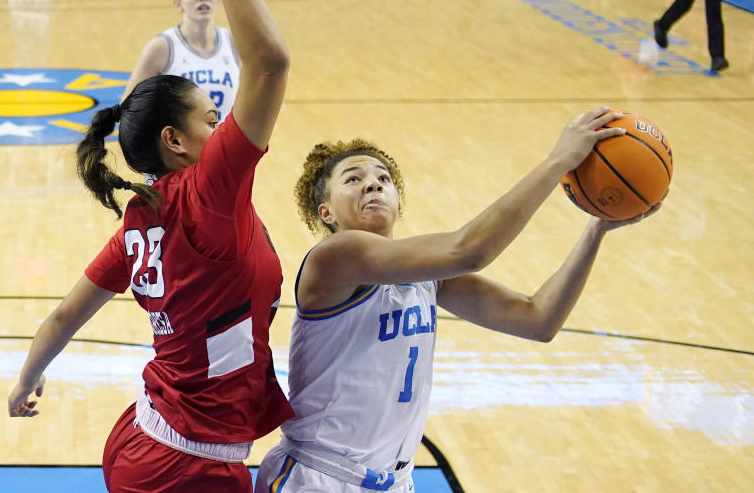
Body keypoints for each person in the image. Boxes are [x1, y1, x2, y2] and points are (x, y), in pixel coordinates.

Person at [8, 0, 293, 493]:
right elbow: (271, 62)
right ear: (175, 141)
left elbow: (62, 318)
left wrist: (26, 382)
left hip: (146, 435)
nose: (222, 122)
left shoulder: (141, 216)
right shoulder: (209, 193)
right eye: (208, 117)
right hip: (188, 467)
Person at [256, 108, 662, 492]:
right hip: (318, 477)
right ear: (325, 213)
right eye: (352, 178)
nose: (373, 183)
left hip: (394, 482)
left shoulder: (428, 280)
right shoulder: (334, 259)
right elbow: (469, 250)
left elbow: (538, 320)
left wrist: (597, 230)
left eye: (383, 177)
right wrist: (558, 161)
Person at [121, 0, 239, 125]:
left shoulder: (235, 42)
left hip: (225, 144)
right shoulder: (162, 47)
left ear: (218, 0)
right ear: (178, 4)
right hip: (181, 146)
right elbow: (128, 107)